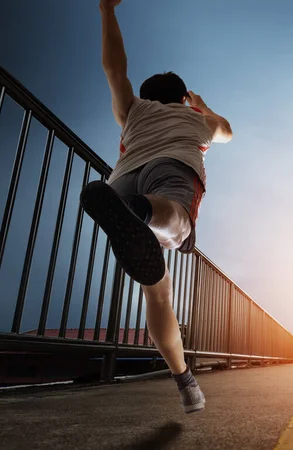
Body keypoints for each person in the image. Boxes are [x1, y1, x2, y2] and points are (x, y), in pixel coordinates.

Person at [80, 0, 232, 414]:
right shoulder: (197, 120)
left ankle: (185, 383)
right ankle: (146, 212)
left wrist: (106, 10)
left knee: (158, 293)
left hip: (123, 176)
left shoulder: (133, 110)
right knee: (178, 225)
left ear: (147, 97)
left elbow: (115, 69)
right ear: (182, 99)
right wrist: (202, 106)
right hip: (171, 170)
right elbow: (228, 131)